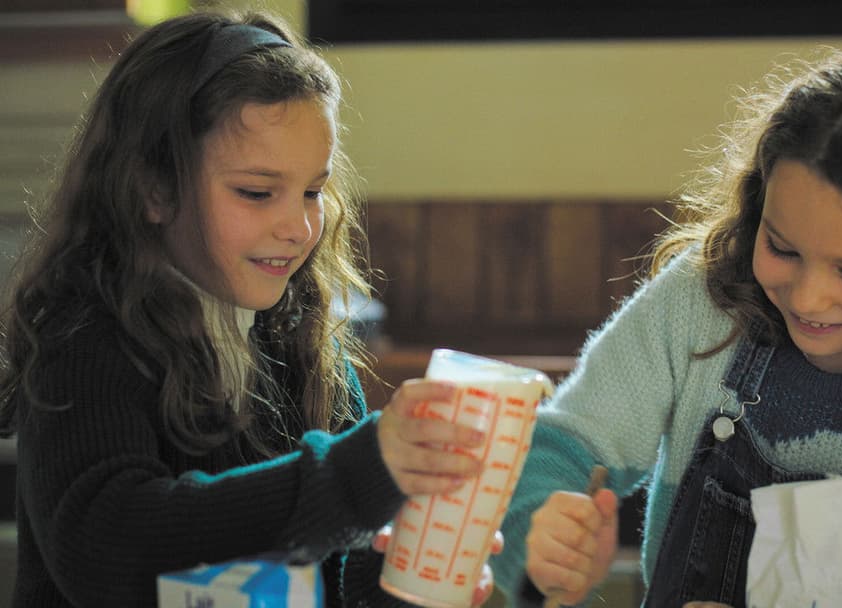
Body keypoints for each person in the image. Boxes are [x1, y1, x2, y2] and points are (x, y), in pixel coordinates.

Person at [490, 50, 842, 607]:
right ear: (758, 205)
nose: (808, 297)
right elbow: (561, 446)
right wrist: (543, 528)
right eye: (782, 248)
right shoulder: (700, 304)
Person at [0, 9, 496, 607]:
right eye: (257, 193)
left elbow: (341, 578)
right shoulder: (85, 339)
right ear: (155, 189)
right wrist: (351, 475)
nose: (298, 226)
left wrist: (414, 574)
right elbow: (109, 546)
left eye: (312, 191)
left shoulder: (308, 344)